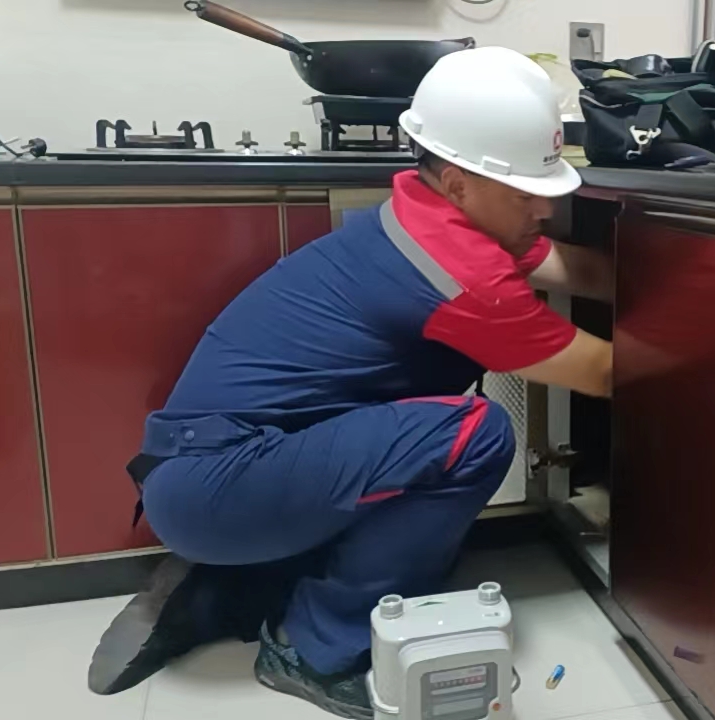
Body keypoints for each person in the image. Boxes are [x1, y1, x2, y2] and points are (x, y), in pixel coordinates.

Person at [87, 46, 613, 718]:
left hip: (206, 467)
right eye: (526, 193)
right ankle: (312, 649)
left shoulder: (431, 210)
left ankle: (229, 590)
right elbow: (602, 372)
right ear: (460, 182)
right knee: (473, 434)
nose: (542, 210)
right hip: (219, 486)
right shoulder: (464, 273)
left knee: (413, 448)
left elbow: (575, 268)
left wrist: (684, 286)